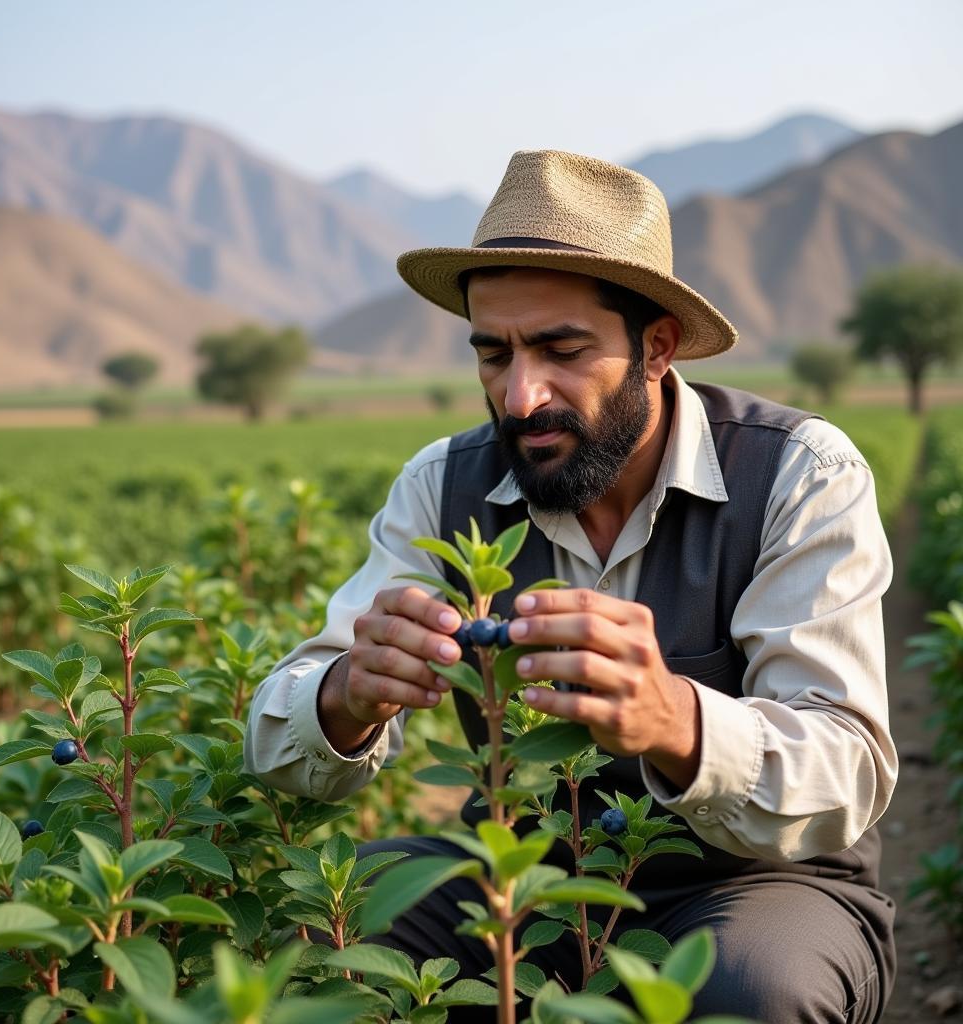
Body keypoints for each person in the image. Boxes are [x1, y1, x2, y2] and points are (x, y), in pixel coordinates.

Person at [245, 150, 898, 1021]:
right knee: (318, 939)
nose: (519, 397)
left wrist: (676, 718)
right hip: (524, 877)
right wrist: (344, 696)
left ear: (656, 346)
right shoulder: (444, 486)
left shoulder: (800, 475)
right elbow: (276, 736)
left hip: (755, 887)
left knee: (753, 994)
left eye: (561, 349)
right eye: (494, 353)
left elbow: (848, 768)